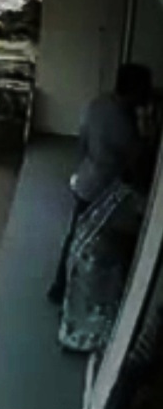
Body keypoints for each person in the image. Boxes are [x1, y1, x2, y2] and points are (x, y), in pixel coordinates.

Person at [48, 63, 152, 304]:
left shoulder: (98, 104)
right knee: (101, 244)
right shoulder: (123, 124)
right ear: (134, 90)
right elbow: (137, 162)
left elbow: (82, 140)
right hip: (104, 190)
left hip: (86, 179)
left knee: (76, 236)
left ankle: (59, 286)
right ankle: (84, 294)